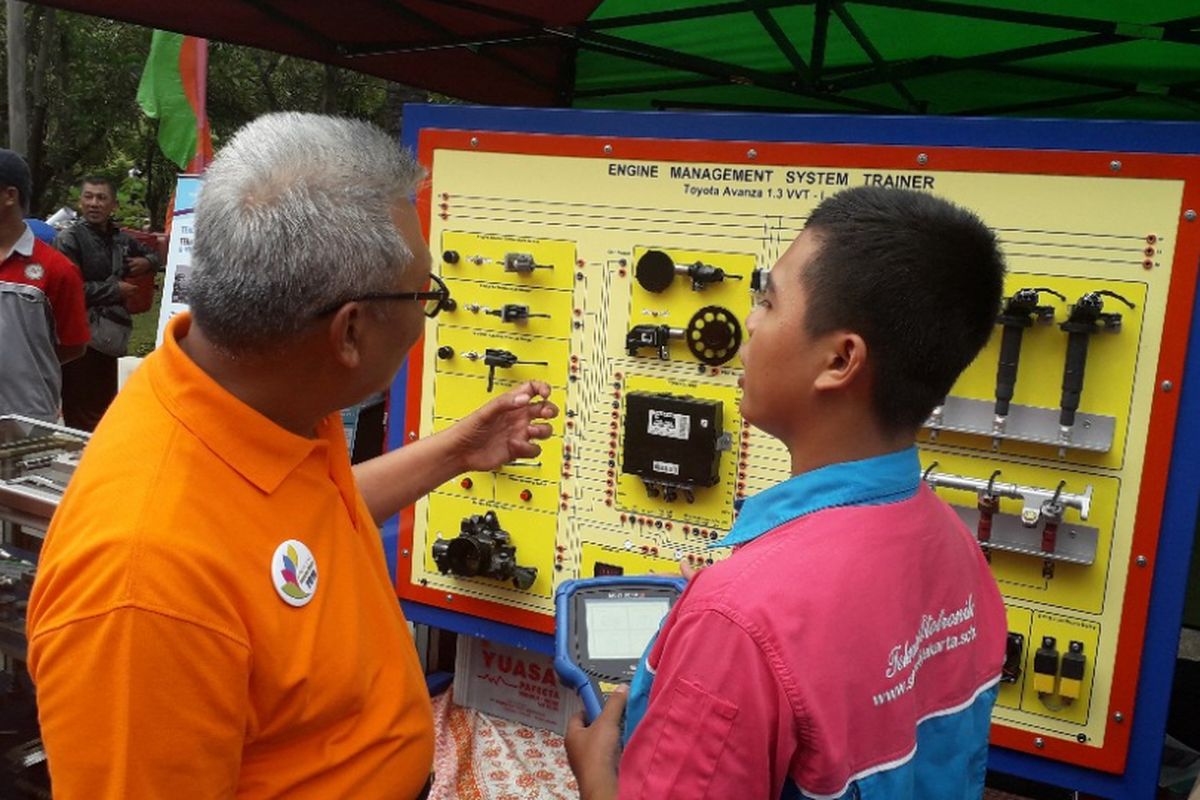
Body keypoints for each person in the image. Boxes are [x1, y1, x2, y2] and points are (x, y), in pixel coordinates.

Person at [28, 113, 558, 799]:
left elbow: (297, 524)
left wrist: (457, 450)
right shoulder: (144, 585)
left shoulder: (255, 399)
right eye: (426, 295)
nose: (427, 319)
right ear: (350, 331)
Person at [566, 186, 1009, 800]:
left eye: (768, 301)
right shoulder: (961, 554)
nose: (747, 320)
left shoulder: (739, 621)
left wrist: (596, 780)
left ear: (840, 360)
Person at [55, 175, 161, 431]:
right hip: (80, 339)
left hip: (113, 337)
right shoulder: (70, 239)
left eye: (101, 198)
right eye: (88, 197)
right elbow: (69, 291)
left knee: (105, 409)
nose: (94, 203)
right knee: (81, 413)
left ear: (114, 205)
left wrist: (147, 263)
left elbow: (156, 255)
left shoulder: (120, 238)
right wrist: (115, 290)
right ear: (80, 202)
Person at [0, 149, 89, 423]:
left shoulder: (57, 269)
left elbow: (73, 344)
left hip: (27, 421)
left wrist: (25, 365)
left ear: (9, 196)